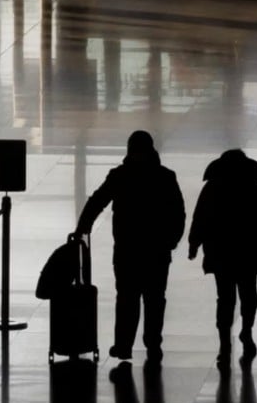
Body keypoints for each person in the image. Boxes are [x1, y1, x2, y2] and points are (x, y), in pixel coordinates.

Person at [75, 131, 185, 365]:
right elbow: (178, 212)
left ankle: (124, 345)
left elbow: (97, 201)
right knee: (154, 299)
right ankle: (153, 343)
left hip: (127, 249)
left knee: (127, 298)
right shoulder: (165, 177)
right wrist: (171, 240)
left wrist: (83, 227)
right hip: (157, 250)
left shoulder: (120, 176)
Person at [188, 149, 257, 369]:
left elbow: (199, 218)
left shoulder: (212, 188)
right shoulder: (254, 187)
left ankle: (224, 344)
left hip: (221, 253)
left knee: (225, 298)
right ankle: (246, 331)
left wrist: (194, 243)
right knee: (249, 295)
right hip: (249, 252)